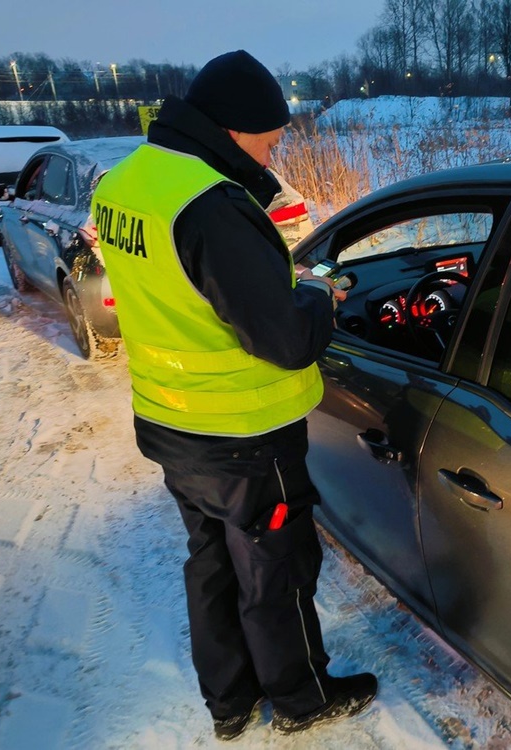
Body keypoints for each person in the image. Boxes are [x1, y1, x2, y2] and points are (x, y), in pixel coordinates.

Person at [91, 50, 376, 741]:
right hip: (243, 435)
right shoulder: (211, 204)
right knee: (275, 570)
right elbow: (286, 339)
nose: (274, 153)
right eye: (270, 141)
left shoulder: (127, 181)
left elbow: (183, 292)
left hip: (168, 420)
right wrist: (317, 296)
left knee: (213, 562)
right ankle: (303, 699)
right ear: (234, 129)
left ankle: (230, 703)